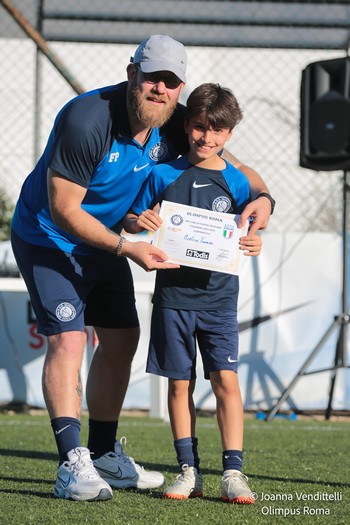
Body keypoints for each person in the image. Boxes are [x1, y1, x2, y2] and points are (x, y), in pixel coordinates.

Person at [11, 34, 273, 502]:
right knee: (69, 338)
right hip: (48, 238)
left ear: (180, 88)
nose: (160, 89)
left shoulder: (174, 123)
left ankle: (103, 452)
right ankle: (72, 463)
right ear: (132, 72)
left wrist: (263, 201)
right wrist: (127, 246)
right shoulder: (86, 118)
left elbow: (241, 174)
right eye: (152, 77)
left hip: (107, 241)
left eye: (171, 82)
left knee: (122, 338)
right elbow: (64, 209)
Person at [124, 83, 263, 504]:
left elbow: (251, 227)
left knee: (225, 378)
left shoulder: (238, 183)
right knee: (178, 383)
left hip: (219, 299)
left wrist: (254, 241)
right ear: (187, 127)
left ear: (230, 135)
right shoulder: (163, 174)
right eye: (200, 127)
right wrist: (139, 221)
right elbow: (131, 220)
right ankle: (188, 471)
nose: (207, 138)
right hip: (173, 298)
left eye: (217, 131)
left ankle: (233, 473)